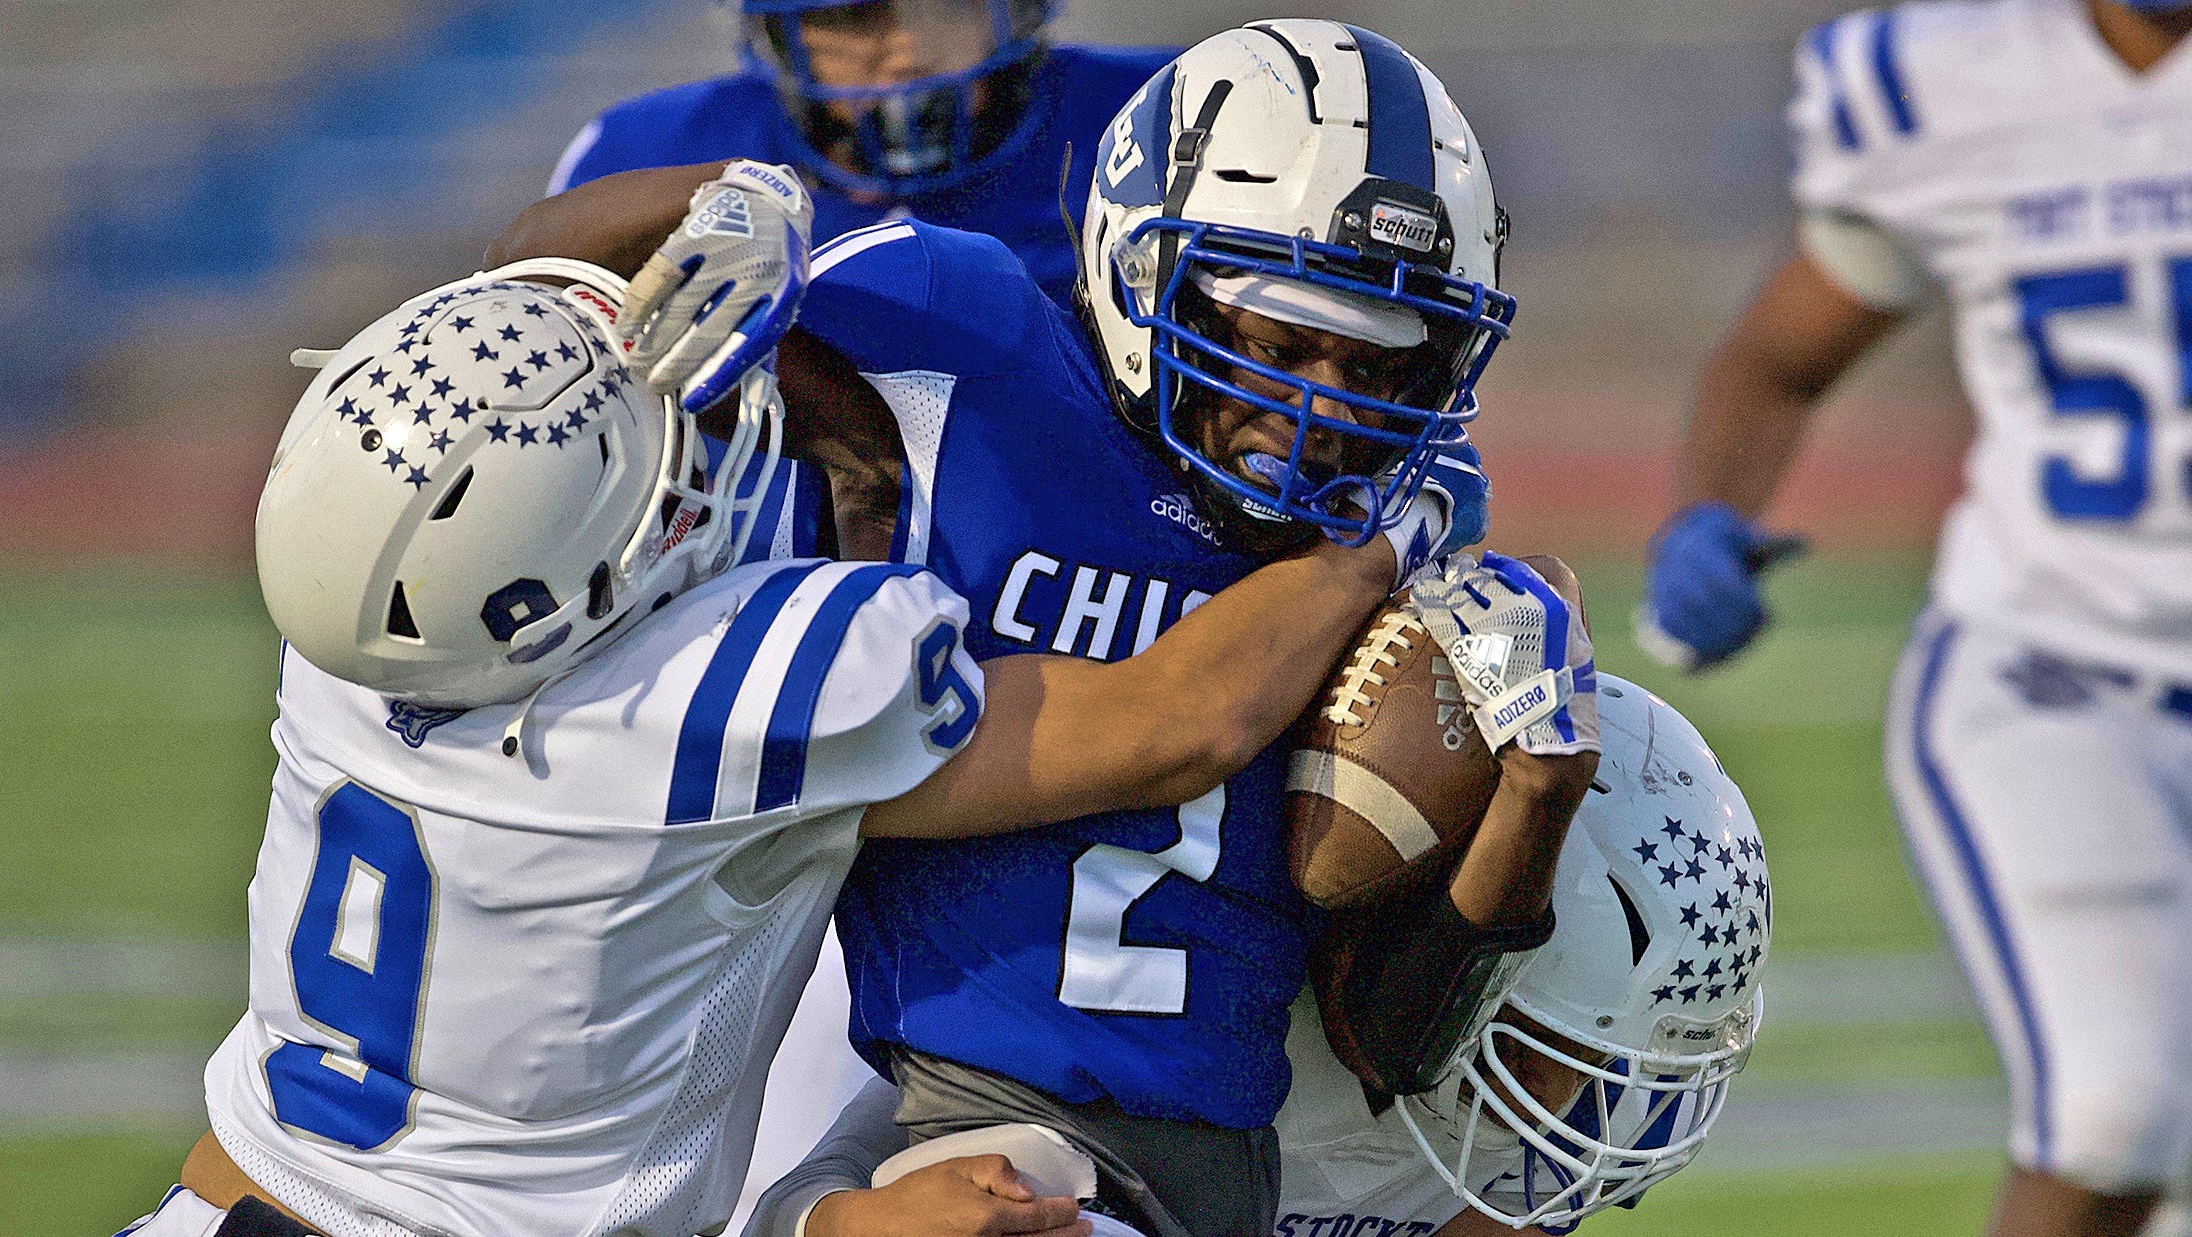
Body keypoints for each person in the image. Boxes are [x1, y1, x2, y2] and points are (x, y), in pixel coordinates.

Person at [490, 21, 1598, 1237]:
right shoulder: (965, 336)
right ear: (1143, 267)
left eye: (1380, 366)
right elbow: (524, 279)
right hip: (965, 1122)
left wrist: (1539, 786)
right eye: (1279, 345)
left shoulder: (1426, 520)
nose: (1322, 408)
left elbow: (1390, 1032)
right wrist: (732, 203)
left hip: (1222, 1167)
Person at [109, 253, 1470, 1237]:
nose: (692, 451)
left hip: (213, 1199)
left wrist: (745, 201)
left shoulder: (352, 614)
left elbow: (531, 307)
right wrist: (1384, 535)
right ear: (577, 581)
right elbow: (1178, 722)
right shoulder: (728, 695)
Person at [1635, 3, 2192, 1236]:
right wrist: (1711, 516)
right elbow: (1778, 358)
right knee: (2113, 1113)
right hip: (2061, 666)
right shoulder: (1954, 84)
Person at [733, 673, 1769, 1237]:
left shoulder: (1554, 1124)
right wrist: (838, 1226)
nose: (1577, 1116)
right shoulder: (1208, 979)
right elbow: (772, 1191)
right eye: (1547, 1057)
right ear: (1445, 956)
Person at [551, 0, 1172, 309]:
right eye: (856, 16)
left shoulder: (1161, 111)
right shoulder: (642, 155)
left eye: (947, 3)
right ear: (775, 32)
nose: (908, 49)